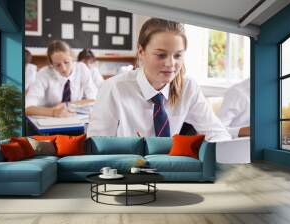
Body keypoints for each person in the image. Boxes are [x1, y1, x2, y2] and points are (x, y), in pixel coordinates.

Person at [87, 18, 231, 141]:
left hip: (170, 169)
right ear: (141, 52)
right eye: (161, 55)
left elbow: (218, 133)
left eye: (178, 56)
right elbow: (96, 146)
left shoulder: (188, 87)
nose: (170, 64)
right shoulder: (114, 88)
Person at [26, 40, 97, 117]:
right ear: (51, 64)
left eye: (66, 62)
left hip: (74, 118)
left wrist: (67, 104)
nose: (63, 69)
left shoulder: (81, 68)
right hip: (47, 119)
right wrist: (53, 112)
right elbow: (27, 107)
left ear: (72, 58)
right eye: (57, 65)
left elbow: (94, 99)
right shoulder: (44, 74)